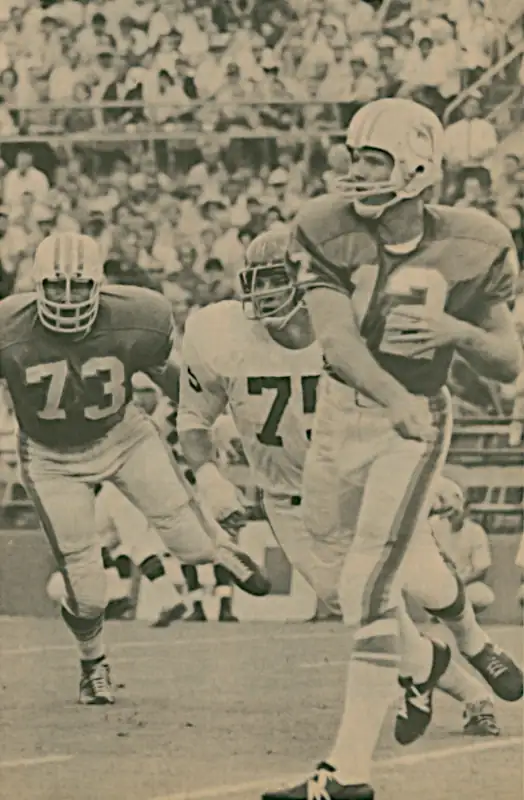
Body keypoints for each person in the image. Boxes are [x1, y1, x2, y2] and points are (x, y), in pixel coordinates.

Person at [262, 98, 523, 800]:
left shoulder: (474, 240)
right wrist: (390, 392)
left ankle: (347, 773)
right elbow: (338, 343)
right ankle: (444, 651)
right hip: (346, 416)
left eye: (372, 158)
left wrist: (452, 333)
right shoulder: (324, 228)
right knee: (340, 572)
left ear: (415, 166)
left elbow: (505, 360)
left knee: (368, 585)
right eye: (353, 156)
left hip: (413, 426)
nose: (355, 171)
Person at [177, 228, 504, 741]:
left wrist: (429, 470)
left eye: (278, 281)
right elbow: (192, 419)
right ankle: (462, 685)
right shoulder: (217, 332)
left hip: (368, 477)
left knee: (422, 578)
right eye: (257, 283)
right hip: (293, 504)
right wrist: (208, 476)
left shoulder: (353, 323)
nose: (264, 295)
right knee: (358, 605)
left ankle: (475, 641)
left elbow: (413, 393)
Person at [0, 232, 270, 707]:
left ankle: (218, 550)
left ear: (100, 286)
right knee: (87, 590)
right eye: (57, 287)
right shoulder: (8, 326)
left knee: (187, 539)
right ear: (36, 286)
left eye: (79, 287)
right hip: (50, 458)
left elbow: (167, 376)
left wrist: (207, 417)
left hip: (123, 435)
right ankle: (93, 665)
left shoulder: (135, 317)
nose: (67, 299)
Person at [431, 478, 494, 614]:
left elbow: (481, 569)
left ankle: (462, 616)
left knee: (483, 596)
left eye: (457, 512)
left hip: (464, 584)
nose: (452, 516)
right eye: (449, 512)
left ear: (466, 510)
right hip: (438, 582)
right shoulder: (434, 526)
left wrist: (459, 584)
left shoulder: (475, 531)